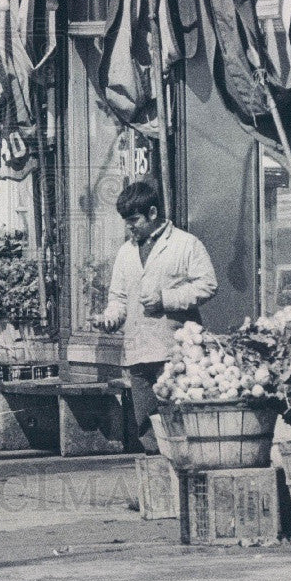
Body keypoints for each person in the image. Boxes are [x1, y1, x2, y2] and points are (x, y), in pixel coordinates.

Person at [101, 181, 218, 453]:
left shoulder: (186, 244)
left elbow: (208, 284)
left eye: (134, 220)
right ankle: (157, 480)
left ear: (153, 213)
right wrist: (110, 318)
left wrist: (166, 299)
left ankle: (185, 477)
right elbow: (118, 298)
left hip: (174, 351)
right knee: (146, 425)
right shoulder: (125, 252)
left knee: (180, 421)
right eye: (126, 221)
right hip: (138, 353)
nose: (130, 227)